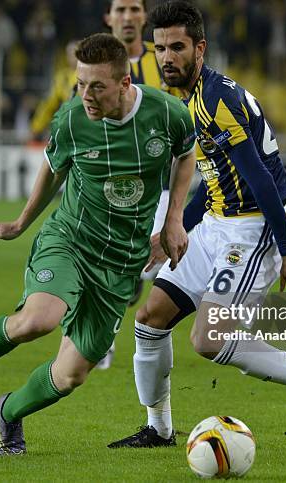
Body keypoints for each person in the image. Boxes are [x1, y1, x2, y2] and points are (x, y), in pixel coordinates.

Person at [0, 33, 197, 456]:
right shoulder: (72, 119)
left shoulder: (168, 113)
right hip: (70, 238)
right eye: (80, 84)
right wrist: (19, 224)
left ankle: (9, 411)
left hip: (122, 263)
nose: (86, 95)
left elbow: (185, 155)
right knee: (38, 320)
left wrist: (175, 218)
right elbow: (51, 170)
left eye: (97, 86)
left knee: (70, 376)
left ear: (125, 84)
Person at [108, 1, 286, 449]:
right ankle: (158, 429)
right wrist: (174, 229)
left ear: (200, 48)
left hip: (252, 231)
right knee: (150, 318)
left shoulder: (218, 98)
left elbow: (261, 180)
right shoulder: (189, 99)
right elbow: (213, 179)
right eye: (160, 49)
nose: (166, 58)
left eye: (177, 47)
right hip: (215, 224)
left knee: (209, 340)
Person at [98, 0, 185, 368]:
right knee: (104, 263)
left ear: (144, 17)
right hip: (110, 186)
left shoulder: (164, 62)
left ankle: (137, 297)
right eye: (121, 9)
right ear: (109, 18)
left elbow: (185, 116)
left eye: (135, 8)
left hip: (159, 187)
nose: (128, 16)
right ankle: (99, 339)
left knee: (145, 261)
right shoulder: (93, 62)